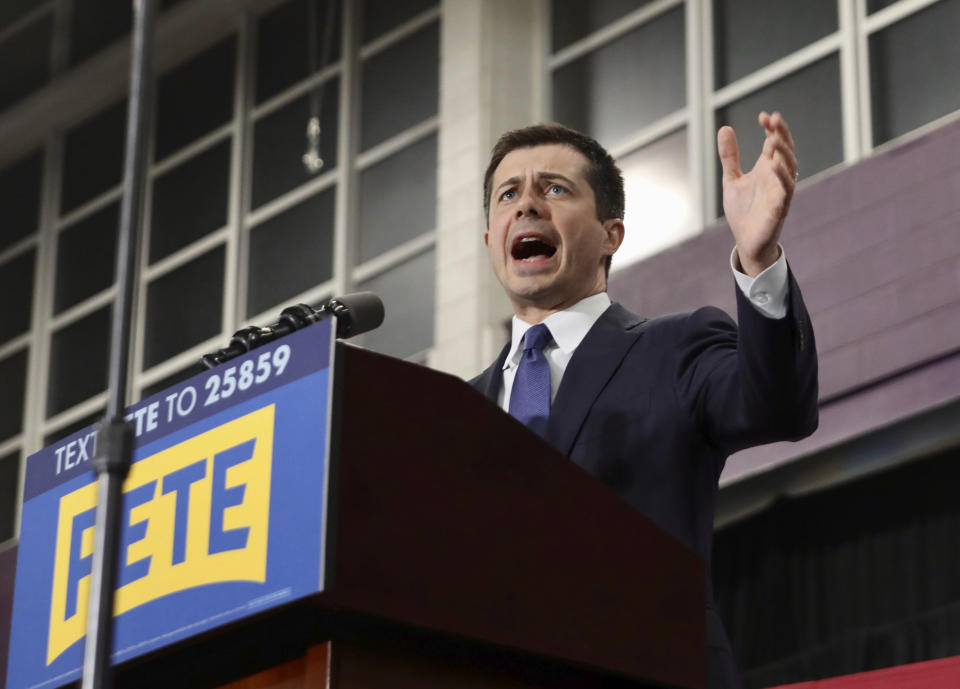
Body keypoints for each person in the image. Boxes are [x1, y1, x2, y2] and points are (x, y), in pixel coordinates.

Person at [469, 114, 819, 689]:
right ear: (490, 240)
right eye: (509, 194)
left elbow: (777, 406)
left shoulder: (674, 348)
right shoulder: (452, 415)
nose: (526, 205)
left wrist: (760, 262)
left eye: (554, 188)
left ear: (612, 234)